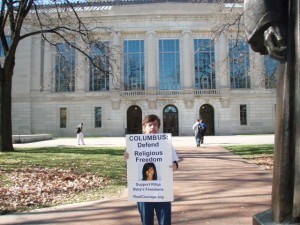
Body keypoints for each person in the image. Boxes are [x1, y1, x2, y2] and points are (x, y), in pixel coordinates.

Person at [124, 114, 179, 225]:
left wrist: (174, 166)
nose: (153, 127)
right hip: (143, 193)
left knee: (165, 222)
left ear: (158, 127)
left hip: (162, 191)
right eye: (150, 125)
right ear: (144, 127)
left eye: (155, 125)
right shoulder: (134, 144)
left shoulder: (166, 143)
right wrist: (127, 158)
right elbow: (130, 168)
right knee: (147, 222)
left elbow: (175, 163)